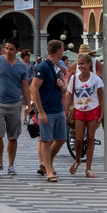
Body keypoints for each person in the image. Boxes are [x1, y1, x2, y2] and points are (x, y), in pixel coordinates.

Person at [29, 40, 70, 182]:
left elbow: (64, 89)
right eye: (62, 50)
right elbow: (33, 88)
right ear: (58, 51)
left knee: (61, 138)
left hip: (58, 108)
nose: (63, 52)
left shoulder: (57, 67)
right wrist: (40, 111)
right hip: (47, 109)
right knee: (46, 140)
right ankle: (48, 171)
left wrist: (62, 87)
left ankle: (47, 163)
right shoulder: (43, 66)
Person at [0, 41, 30, 177]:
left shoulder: (21, 67)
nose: (7, 51)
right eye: (6, 48)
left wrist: (28, 104)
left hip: (15, 104)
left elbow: (25, 86)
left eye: (11, 49)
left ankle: (11, 165)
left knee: (13, 137)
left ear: (17, 50)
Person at [68, 49, 104, 176]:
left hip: (93, 110)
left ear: (89, 64)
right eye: (79, 64)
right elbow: (69, 96)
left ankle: (88, 168)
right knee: (78, 139)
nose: (80, 66)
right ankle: (78, 160)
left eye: (82, 63)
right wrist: (66, 112)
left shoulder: (96, 79)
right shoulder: (73, 79)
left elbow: (101, 97)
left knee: (90, 138)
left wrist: (101, 115)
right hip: (79, 110)